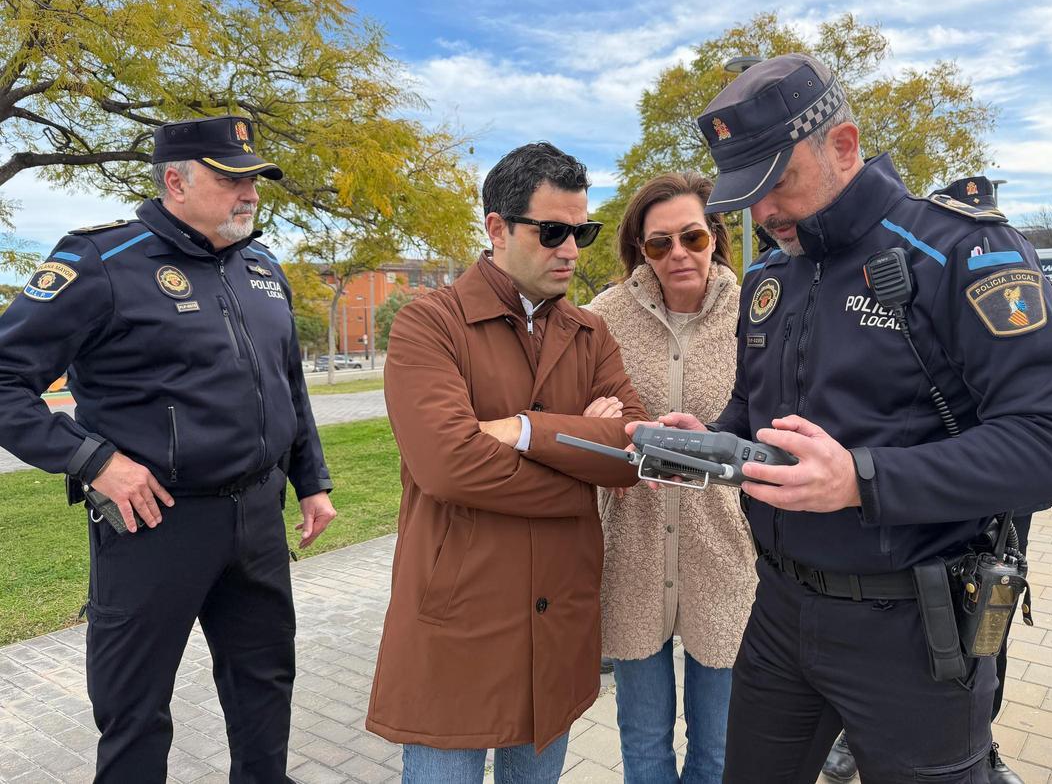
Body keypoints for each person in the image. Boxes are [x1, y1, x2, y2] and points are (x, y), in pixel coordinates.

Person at [635, 53, 1052, 783]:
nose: (763, 215)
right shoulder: (769, 275)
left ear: (843, 145)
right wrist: (713, 442)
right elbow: (759, 416)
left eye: (777, 183)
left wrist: (863, 478)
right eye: (746, 195)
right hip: (781, 609)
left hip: (913, 630)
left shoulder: (959, 251)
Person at [0, 115, 337, 781]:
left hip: (257, 519)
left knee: (265, 683)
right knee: (135, 707)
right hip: (157, 522)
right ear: (175, 181)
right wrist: (92, 460)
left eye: (255, 180)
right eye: (231, 178)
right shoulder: (101, 261)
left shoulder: (261, 264)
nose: (249, 194)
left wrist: (312, 479)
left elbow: (286, 382)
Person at [366, 142, 650, 784]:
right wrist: (582, 463)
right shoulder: (428, 324)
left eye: (582, 231)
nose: (572, 250)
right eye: (553, 231)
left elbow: (634, 454)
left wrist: (526, 432)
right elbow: (447, 467)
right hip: (460, 620)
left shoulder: (589, 332)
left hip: (559, 621)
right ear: (497, 227)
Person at [819, 173, 1052, 784]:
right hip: (899, 509)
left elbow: (1047, 430)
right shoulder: (903, 271)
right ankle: (853, 738)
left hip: (982, 497)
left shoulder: (990, 262)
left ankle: (980, 741)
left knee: (980, 624)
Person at [586, 172, 753, 784]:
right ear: (639, 248)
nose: (678, 253)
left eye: (693, 236)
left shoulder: (757, 309)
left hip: (726, 553)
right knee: (645, 740)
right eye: (659, 244)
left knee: (718, 747)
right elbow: (577, 417)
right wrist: (595, 423)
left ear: (717, 238)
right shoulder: (604, 317)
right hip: (631, 551)